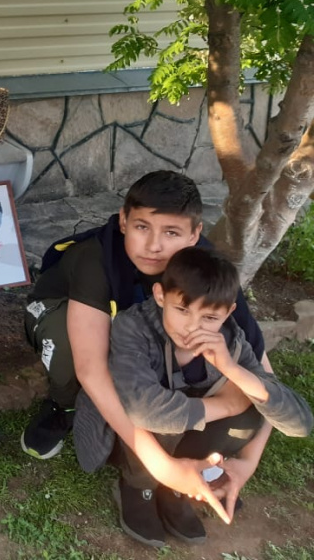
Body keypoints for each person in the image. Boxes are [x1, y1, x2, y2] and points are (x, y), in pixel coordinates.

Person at [20, 170, 268, 523]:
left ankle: (163, 421)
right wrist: (161, 466)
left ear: (195, 234)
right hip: (61, 311)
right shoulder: (96, 260)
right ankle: (63, 406)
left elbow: (263, 372)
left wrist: (246, 463)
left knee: (181, 339)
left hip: (130, 321)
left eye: (171, 233)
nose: (154, 246)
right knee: (74, 355)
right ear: (123, 221)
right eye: (142, 227)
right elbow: (91, 368)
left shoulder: (209, 269)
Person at [74, 247, 312, 547]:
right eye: (182, 310)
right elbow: (144, 411)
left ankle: (180, 483)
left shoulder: (232, 340)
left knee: (254, 402)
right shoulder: (133, 326)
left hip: (183, 432)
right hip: (127, 438)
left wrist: (232, 370)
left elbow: (301, 424)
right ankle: (138, 485)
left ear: (228, 312)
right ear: (160, 296)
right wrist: (226, 404)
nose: (192, 327)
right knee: (167, 414)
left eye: (210, 317)